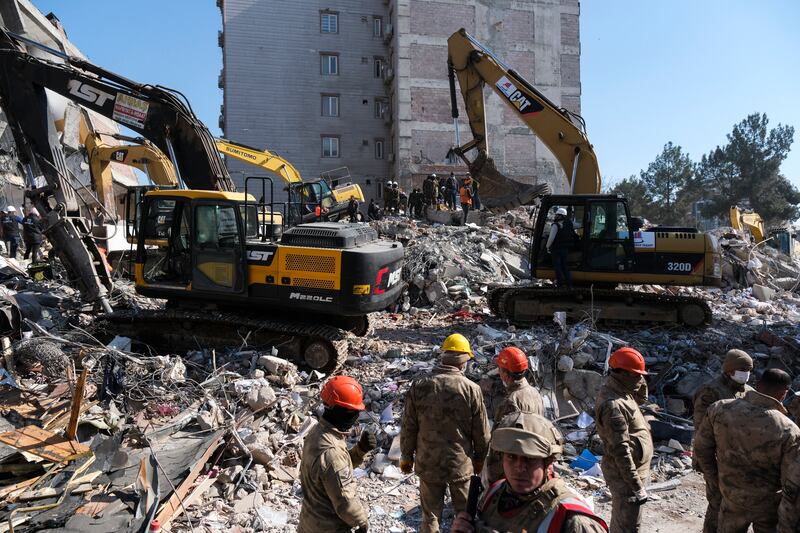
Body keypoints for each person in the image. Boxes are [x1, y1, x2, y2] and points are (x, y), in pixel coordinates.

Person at [452, 412, 608, 533]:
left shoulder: (573, 520)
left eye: (530, 459)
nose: (519, 468)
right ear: (502, 458)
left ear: (547, 462)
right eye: (512, 457)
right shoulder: (494, 493)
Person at [401, 333, 490, 533]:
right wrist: (480, 459)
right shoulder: (471, 389)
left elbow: (408, 426)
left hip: (427, 462)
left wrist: (406, 457)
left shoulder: (420, 385)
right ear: (463, 361)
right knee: (464, 516)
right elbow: (481, 432)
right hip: (459, 464)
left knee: (430, 516)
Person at [694, 368, 800, 533]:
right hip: (768, 507)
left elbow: (701, 449)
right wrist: (787, 526)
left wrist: (715, 480)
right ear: (784, 393)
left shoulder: (719, 409)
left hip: (730, 497)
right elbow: (792, 484)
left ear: (757, 385)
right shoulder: (789, 430)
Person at [298, 375, 376, 533]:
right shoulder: (332, 451)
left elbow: (330, 471)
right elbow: (345, 503)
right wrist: (362, 522)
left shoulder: (317, 433)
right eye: (354, 412)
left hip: (309, 522)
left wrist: (359, 451)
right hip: (329, 528)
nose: (356, 417)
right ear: (343, 411)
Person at [692, 349, 753, 533]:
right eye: (741, 369)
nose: (746, 373)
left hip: (738, 460)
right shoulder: (710, 392)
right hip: (714, 457)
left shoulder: (748, 392)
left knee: (735, 505)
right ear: (729, 370)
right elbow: (702, 428)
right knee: (717, 502)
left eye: (748, 369)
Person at [594, 347, 653, 533]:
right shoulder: (613, 405)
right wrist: (636, 486)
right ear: (621, 374)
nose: (639, 379)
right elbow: (620, 450)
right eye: (635, 375)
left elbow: (642, 399)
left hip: (634, 470)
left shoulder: (624, 389)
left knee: (628, 522)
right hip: (625, 477)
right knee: (627, 526)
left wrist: (638, 376)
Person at [486, 346, 545, 484]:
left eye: (500, 369)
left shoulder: (511, 401)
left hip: (515, 467)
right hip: (533, 459)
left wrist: (492, 473)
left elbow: (500, 441)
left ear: (506, 374)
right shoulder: (535, 393)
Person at [546, 207, 577, 290]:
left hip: (556, 249)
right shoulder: (570, 223)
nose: (555, 216)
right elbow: (578, 225)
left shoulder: (556, 225)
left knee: (557, 267)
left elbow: (551, 238)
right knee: (565, 267)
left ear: (560, 216)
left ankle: (561, 284)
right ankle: (569, 285)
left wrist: (547, 247)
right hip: (565, 249)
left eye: (557, 215)